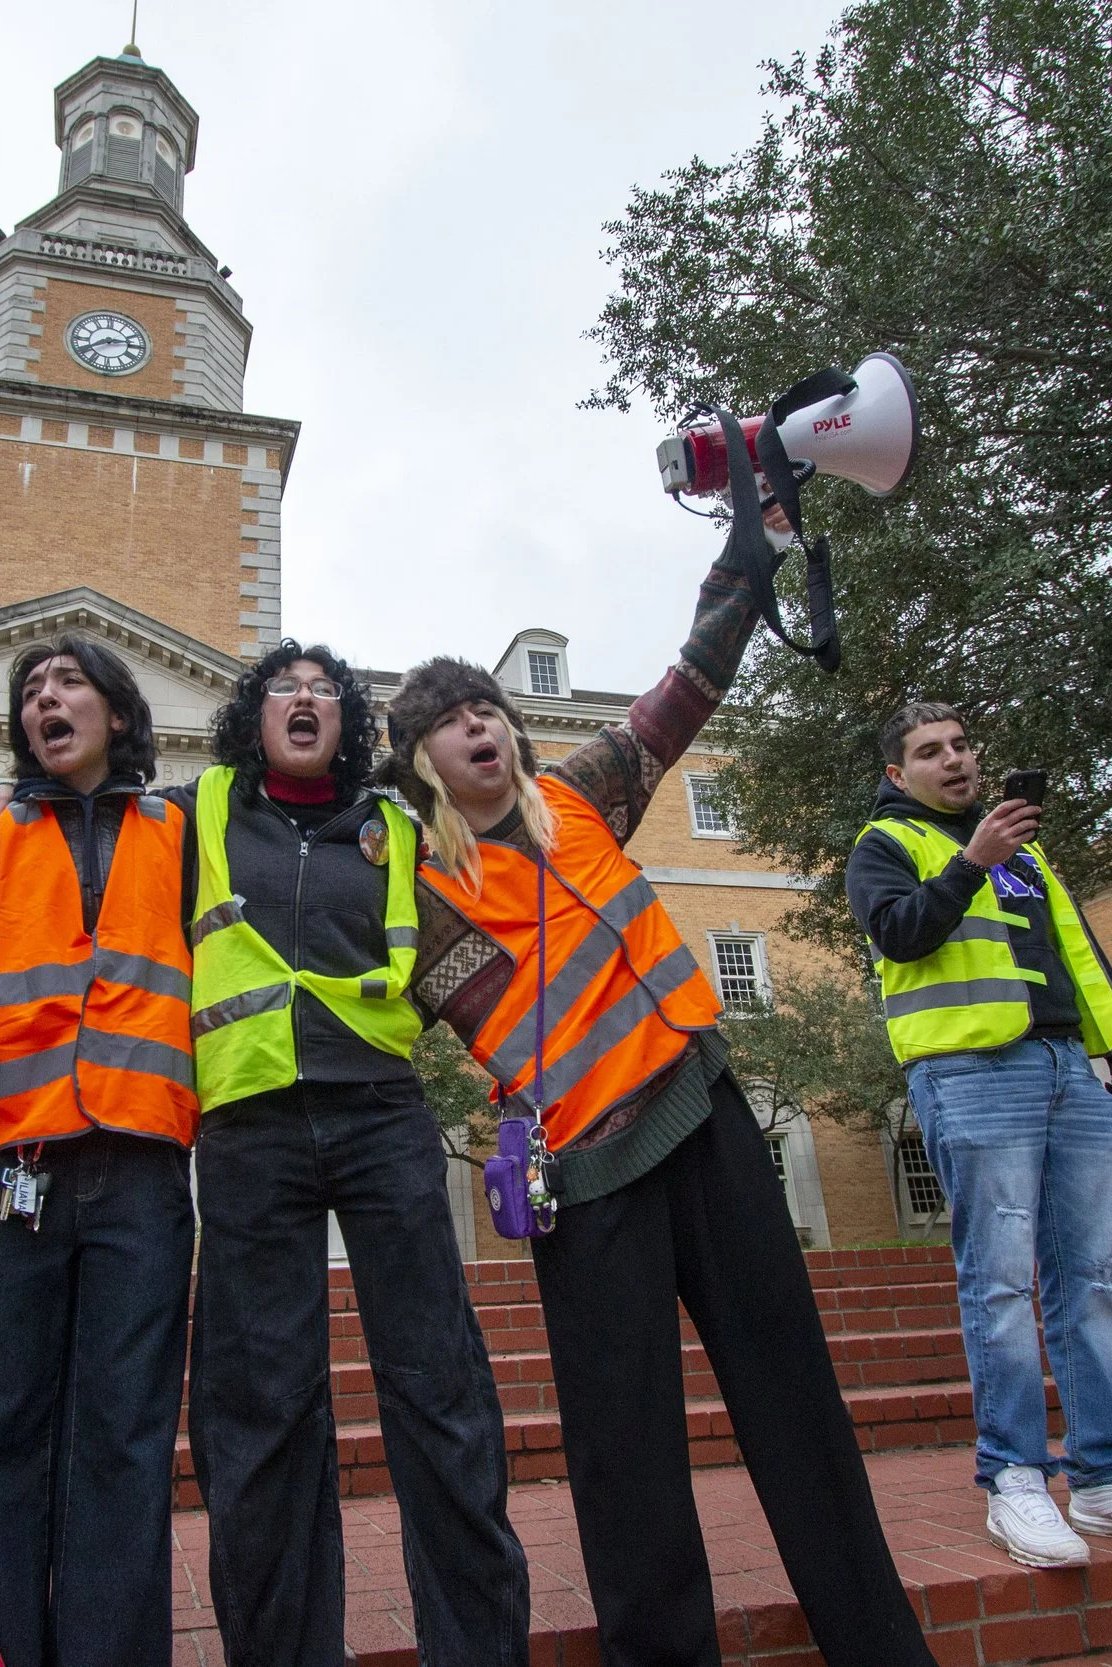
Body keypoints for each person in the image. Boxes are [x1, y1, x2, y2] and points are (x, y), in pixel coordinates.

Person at [379, 507, 937, 1666]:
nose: (474, 723)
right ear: (417, 761)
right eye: (443, 719)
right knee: (622, 1448)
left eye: (484, 705)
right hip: (582, 1183)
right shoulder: (410, 890)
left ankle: (880, 1644)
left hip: (705, 1118)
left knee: (797, 1402)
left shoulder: (584, 794)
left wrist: (752, 549)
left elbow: (688, 683)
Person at [178, 642, 532, 1667]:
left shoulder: (394, 828)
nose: (302, 699)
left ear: (347, 721)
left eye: (322, 689)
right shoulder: (193, 806)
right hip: (250, 1127)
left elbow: (489, 906)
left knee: (438, 1388)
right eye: (282, 687)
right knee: (260, 1406)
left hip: (382, 1116)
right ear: (254, 713)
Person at [846, 702, 1112, 1569]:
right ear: (898, 775)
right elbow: (899, 934)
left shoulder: (1033, 855)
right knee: (1001, 1285)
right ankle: (1015, 1477)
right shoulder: (887, 846)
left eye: (962, 744)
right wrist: (972, 863)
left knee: (1092, 1280)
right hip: (974, 1078)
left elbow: (1083, 959)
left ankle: (1106, 1476)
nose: (955, 760)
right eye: (929, 752)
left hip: (1070, 1074)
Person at [0, 633, 199, 1665]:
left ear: (118, 713)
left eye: (67, 683)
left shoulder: (181, 831)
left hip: (141, 1169)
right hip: (3, 1171)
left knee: (126, 1440)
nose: (43, 699)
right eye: (30, 689)